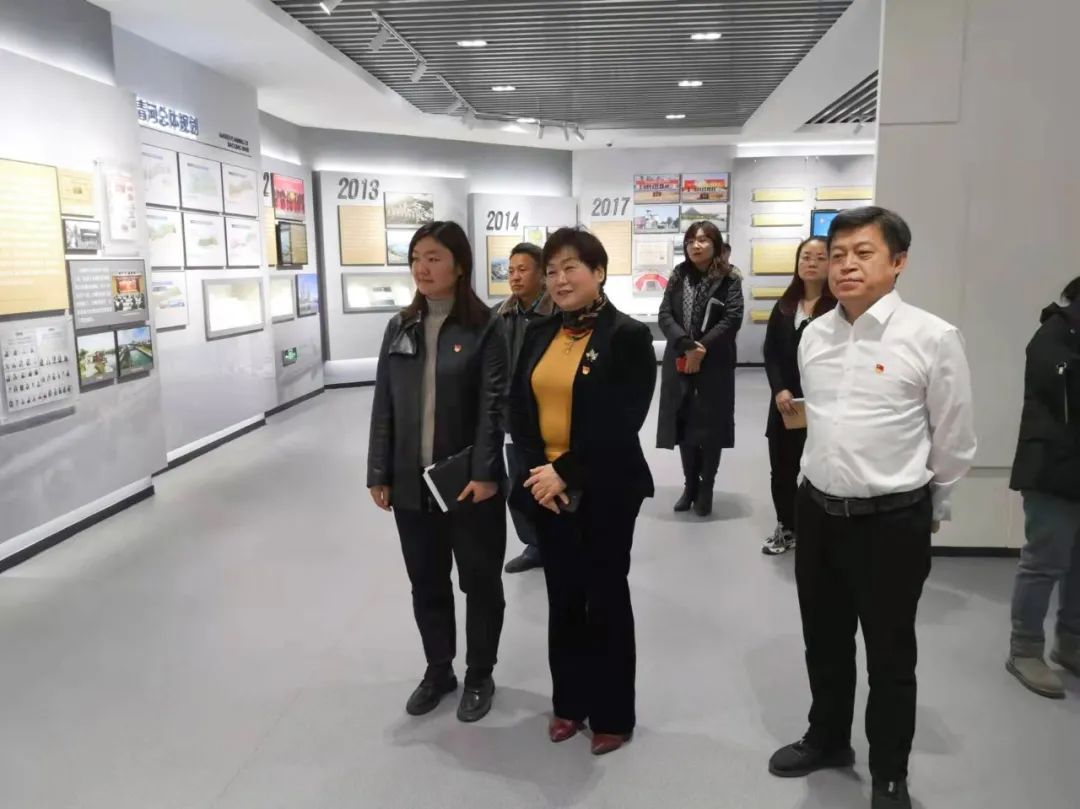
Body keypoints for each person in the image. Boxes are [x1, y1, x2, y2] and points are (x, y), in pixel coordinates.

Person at [768, 207, 976, 809]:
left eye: (863, 253)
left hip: (891, 520)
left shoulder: (932, 337)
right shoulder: (815, 335)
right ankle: (828, 738)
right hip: (818, 511)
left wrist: (925, 505)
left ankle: (889, 773)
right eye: (837, 255)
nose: (846, 266)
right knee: (824, 638)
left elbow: (955, 440)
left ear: (898, 262)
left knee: (890, 653)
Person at [508, 227, 656, 756]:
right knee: (563, 597)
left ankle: (613, 713)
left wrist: (565, 472)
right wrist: (538, 472)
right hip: (545, 488)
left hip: (605, 488)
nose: (560, 279)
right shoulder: (540, 331)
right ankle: (569, 704)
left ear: (599, 273)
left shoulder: (627, 337)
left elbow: (622, 422)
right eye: (551, 270)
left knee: (605, 597)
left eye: (571, 267)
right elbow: (519, 409)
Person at [367, 221, 509, 723]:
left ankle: (480, 673)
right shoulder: (400, 326)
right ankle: (439, 669)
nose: (421, 268)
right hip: (411, 484)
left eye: (433, 258)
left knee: (480, 581)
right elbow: (384, 402)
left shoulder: (486, 326)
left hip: (467, 483)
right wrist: (379, 471)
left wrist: (486, 472)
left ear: (459, 265)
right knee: (426, 581)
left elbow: (494, 406)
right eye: (415, 258)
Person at [1005, 275, 1080, 698]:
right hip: (1054, 470)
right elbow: (1063, 393)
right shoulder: (1055, 332)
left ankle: (1071, 643)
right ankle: (1025, 649)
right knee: (1044, 562)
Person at [656, 222, 744, 516]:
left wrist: (701, 348)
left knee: (710, 427)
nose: (696, 245)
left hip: (714, 362)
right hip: (679, 358)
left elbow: (732, 318)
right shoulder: (678, 275)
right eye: (691, 240)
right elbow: (665, 314)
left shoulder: (729, 278)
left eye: (704, 240)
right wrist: (686, 345)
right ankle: (690, 485)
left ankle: (707, 488)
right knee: (684, 424)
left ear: (715, 245)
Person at [761, 237, 837, 555]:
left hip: (823, 405)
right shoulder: (785, 306)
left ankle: (820, 531)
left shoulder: (839, 309)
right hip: (786, 404)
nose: (812, 263)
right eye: (806, 256)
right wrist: (779, 388)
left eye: (820, 257)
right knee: (782, 469)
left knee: (823, 470)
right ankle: (787, 527)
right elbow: (771, 352)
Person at [493, 242, 556, 574]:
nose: (515, 277)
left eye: (523, 269)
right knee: (519, 483)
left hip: (550, 415)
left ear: (542, 274)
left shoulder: (558, 313)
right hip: (512, 416)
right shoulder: (499, 315)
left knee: (553, 479)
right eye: (511, 271)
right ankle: (534, 545)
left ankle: (560, 543)